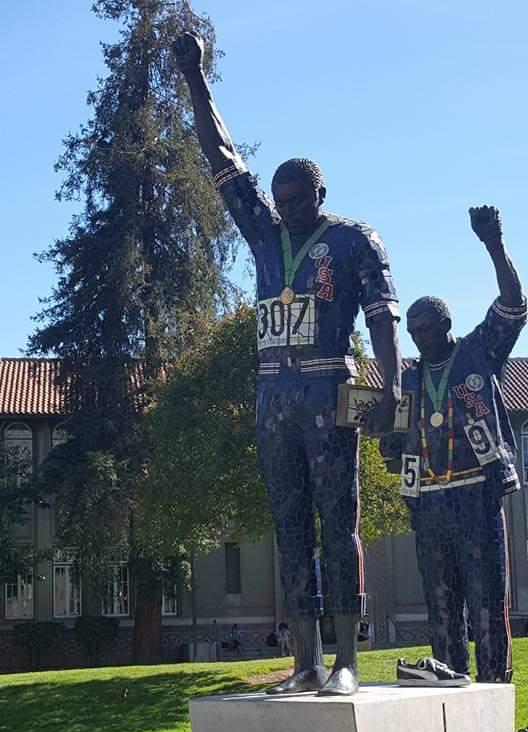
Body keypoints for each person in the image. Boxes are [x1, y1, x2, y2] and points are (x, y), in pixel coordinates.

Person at [174, 33, 401, 696]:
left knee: (340, 522)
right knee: (288, 527)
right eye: (283, 197)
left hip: (329, 389)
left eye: (300, 197)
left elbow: (384, 316)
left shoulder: (354, 240)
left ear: (321, 193)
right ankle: (303, 661)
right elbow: (221, 154)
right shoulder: (265, 234)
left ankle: (347, 661)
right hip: (273, 399)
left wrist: (387, 388)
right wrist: (195, 76)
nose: (290, 207)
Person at [381, 206, 526, 684]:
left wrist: (494, 244)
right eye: (414, 332)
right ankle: (446, 695)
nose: (420, 338)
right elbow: (386, 430)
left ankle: (494, 698)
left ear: (446, 325)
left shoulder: (477, 351)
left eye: (427, 329)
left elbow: (512, 303)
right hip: (428, 503)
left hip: (475, 493)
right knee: (441, 607)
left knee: (487, 601)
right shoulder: (408, 379)